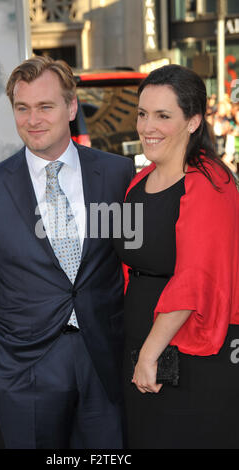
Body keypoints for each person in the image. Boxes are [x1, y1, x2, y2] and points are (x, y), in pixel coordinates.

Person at [0, 56, 135, 449]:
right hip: (24, 368)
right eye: (23, 108)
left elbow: (134, 262)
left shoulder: (117, 174)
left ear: (71, 107)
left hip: (104, 361)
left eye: (45, 106)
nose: (32, 119)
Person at [114, 64, 239, 449]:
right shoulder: (138, 181)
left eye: (163, 116)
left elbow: (196, 277)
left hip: (193, 352)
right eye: (142, 113)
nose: (147, 126)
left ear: (193, 121)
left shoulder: (213, 183)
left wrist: (150, 353)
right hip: (141, 342)